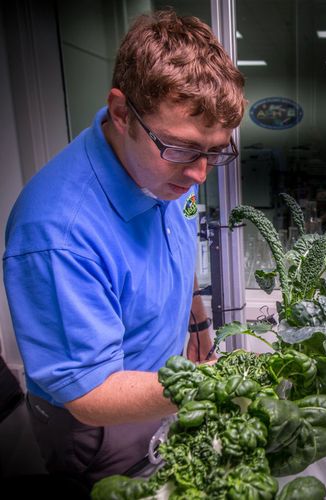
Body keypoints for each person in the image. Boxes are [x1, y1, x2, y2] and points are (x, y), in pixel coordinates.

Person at [2, 9, 246, 488]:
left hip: (163, 385)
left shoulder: (167, 168)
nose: (200, 173)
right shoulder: (57, 236)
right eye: (184, 149)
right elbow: (89, 393)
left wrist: (198, 331)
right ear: (120, 113)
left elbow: (176, 249)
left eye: (216, 151)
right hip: (98, 426)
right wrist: (214, 385)